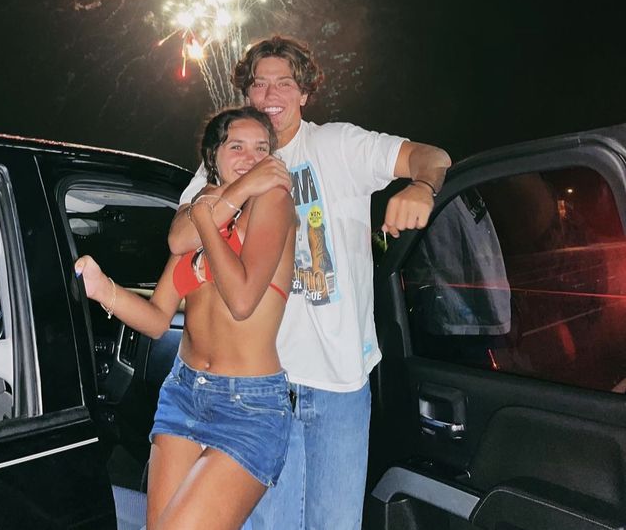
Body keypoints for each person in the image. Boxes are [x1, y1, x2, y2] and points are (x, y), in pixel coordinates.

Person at [169, 36, 451, 530]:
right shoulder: (231, 158)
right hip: (259, 392)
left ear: (304, 94)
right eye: (259, 83)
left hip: (339, 386)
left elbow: (432, 156)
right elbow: (180, 238)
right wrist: (248, 182)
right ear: (246, 94)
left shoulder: (337, 145)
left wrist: (421, 187)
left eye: (284, 82)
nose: (270, 93)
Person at [76, 106, 296, 530]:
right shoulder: (201, 209)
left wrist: (204, 220)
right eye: (237, 146)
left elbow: (243, 300)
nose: (250, 158)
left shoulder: (273, 201)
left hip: (247, 406)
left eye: (261, 149)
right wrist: (105, 291)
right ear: (213, 155)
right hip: (183, 392)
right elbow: (159, 318)